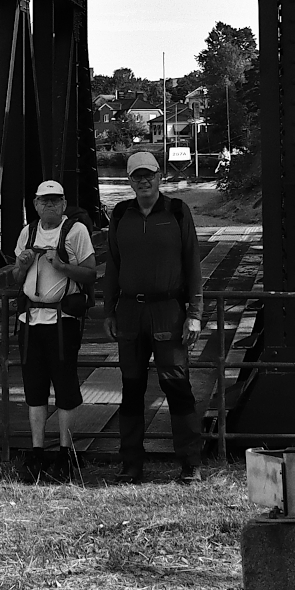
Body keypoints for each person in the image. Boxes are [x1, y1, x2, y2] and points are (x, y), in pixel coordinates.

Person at [103, 148, 203, 483]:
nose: (144, 181)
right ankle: (131, 464)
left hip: (168, 310)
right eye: (137, 176)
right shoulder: (120, 214)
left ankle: (190, 463)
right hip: (130, 311)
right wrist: (108, 310)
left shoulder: (177, 211)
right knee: (131, 388)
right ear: (130, 181)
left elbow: (192, 263)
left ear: (160, 176)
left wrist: (195, 313)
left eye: (149, 175)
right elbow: (113, 265)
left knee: (177, 385)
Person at [4, 179, 97, 482]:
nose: (49, 205)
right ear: (35, 204)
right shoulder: (27, 232)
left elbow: (91, 273)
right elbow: (16, 277)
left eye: (55, 200)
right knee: (34, 388)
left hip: (62, 320)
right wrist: (22, 264)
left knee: (65, 388)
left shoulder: (76, 231)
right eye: (44, 200)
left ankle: (66, 453)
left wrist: (62, 266)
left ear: (64, 203)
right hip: (30, 320)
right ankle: (37, 452)